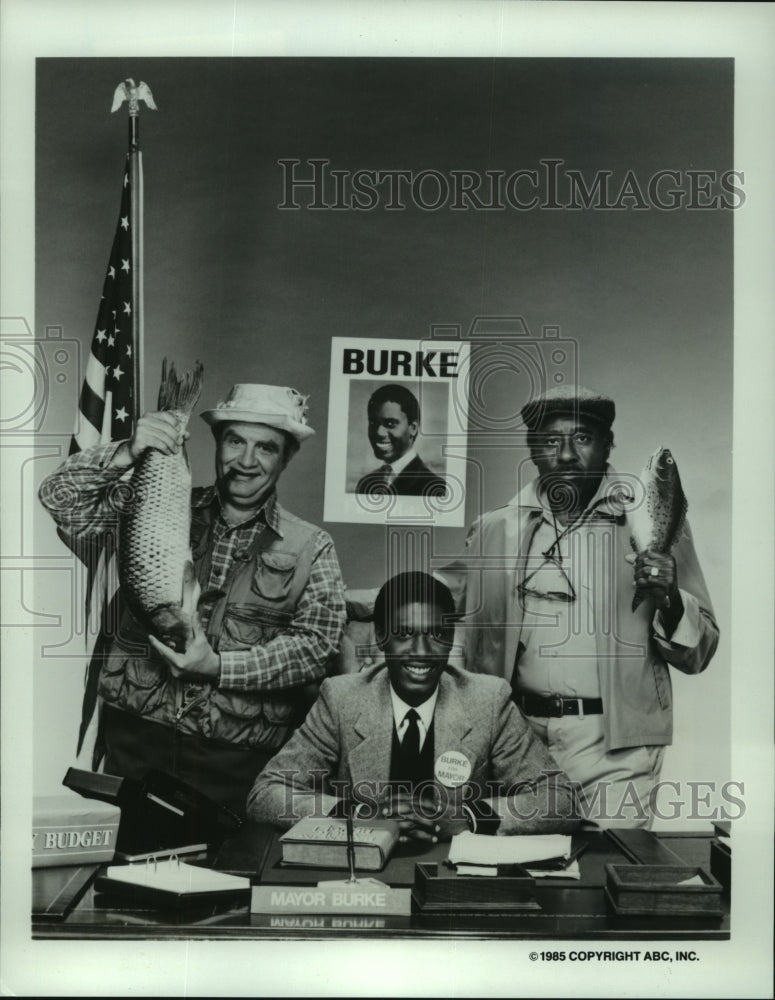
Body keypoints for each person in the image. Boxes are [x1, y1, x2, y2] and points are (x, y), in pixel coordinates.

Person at [39, 382, 346, 818]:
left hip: (235, 766)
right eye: (235, 441)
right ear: (218, 444)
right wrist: (126, 452)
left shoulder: (312, 547)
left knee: (228, 883)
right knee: (122, 881)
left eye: (266, 448)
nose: (246, 460)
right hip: (135, 746)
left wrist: (218, 668)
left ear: (287, 457)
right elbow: (59, 499)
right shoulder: (152, 503)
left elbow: (315, 650)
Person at [438, 385, 719, 829]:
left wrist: (668, 597)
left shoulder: (654, 520)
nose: (567, 455)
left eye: (583, 438)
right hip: (515, 739)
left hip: (616, 747)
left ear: (608, 445)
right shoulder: (495, 528)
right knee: (515, 876)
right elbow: (431, 605)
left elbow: (700, 650)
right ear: (532, 449)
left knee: (606, 874)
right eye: (550, 441)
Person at [248, 572, 578, 839]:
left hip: (450, 879)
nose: (421, 651)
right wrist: (359, 814)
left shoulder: (488, 700)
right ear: (380, 637)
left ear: (451, 638)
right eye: (404, 634)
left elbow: (561, 800)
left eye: (436, 635)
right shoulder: (342, 698)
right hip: (364, 876)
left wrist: (467, 817)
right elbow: (266, 794)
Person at [355, 383, 447, 498]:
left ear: (413, 428)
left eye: (390, 424)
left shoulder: (435, 488)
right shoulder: (365, 483)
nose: (378, 432)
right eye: (373, 423)